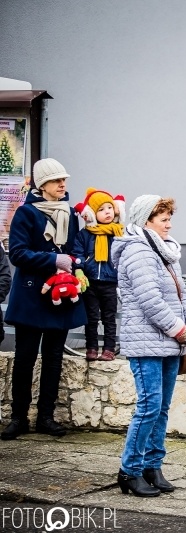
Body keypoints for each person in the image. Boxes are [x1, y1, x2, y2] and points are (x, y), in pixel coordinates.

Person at [111, 195, 186, 497]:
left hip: (169, 344)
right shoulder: (138, 251)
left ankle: (153, 467)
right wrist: (180, 330)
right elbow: (151, 300)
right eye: (164, 219)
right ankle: (130, 471)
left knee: (160, 409)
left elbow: (181, 294)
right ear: (146, 220)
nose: (169, 224)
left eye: (169, 217)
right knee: (148, 408)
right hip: (147, 344)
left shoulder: (162, 252)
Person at [1, 158, 87, 441]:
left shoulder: (70, 213)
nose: (63, 185)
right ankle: (18, 418)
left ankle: (46, 417)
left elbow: (75, 248)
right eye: (56, 181)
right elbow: (17, 253)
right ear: (42, 185)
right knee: (25, 359)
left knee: (53, 358)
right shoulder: (26, 213)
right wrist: (54, 259)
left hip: (60, 294)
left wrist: (74, 261)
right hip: (31, 295)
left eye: (64, 180)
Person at [74, 188, 126, 361]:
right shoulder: (85, 234)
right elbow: (78, 252)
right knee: (91, 317)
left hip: (110, 282)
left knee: (109, 317)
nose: (107, 212)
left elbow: (124, 255)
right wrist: (80, 267)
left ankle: (109, 349)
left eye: (109, 208)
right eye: (101, 210)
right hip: (90, 282)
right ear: (93, 214)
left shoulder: (118, 233)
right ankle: (91, 348)